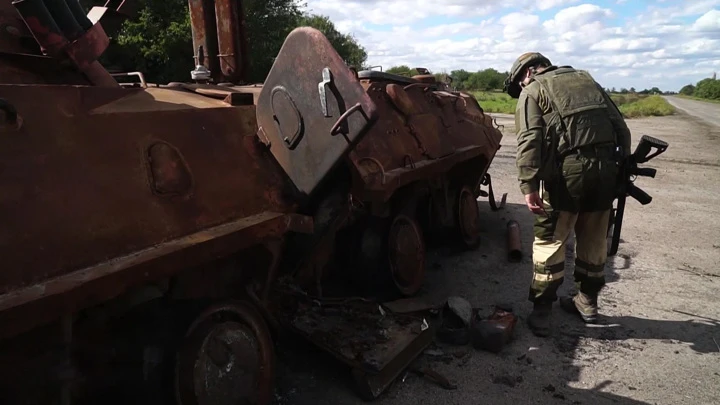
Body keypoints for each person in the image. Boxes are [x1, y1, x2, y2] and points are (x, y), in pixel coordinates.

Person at [504, 52, 632, 337]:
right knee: (595, 239)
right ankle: (587, 303)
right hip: (606, 174)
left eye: (519, 84)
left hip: (566, 178)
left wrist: (528, 186)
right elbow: (621, 129)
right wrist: (620, 170)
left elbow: (529, 140)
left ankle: (542, 312)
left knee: (550, 241)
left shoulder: (534, 89)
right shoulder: (587, 80)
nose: (521, 89)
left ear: (526, 74)